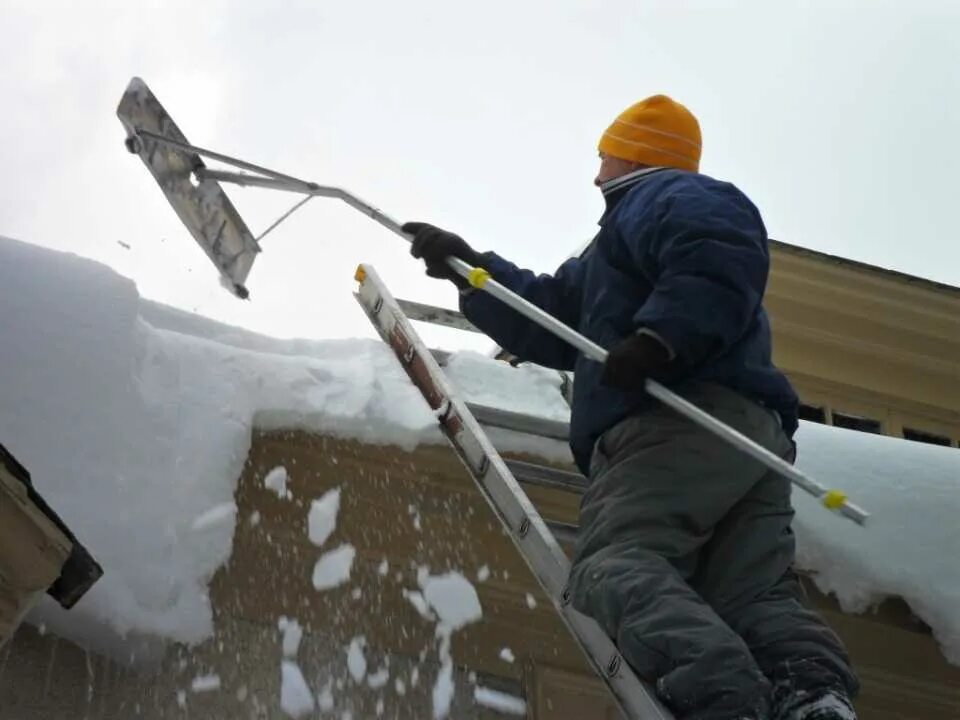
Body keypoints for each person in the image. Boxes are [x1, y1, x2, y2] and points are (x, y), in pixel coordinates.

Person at [402, 95, 859, 720]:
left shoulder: (665, 198)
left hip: (673, 421)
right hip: (748, 435)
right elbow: (554, 318)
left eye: (604, 156)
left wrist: (659, 342)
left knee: (613, 565)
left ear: (635, 153)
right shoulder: (619, 246)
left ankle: (728, 701)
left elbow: (717, 256)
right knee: (749, 593)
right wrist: (470, 270)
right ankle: (812, 697)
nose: (596, 174)